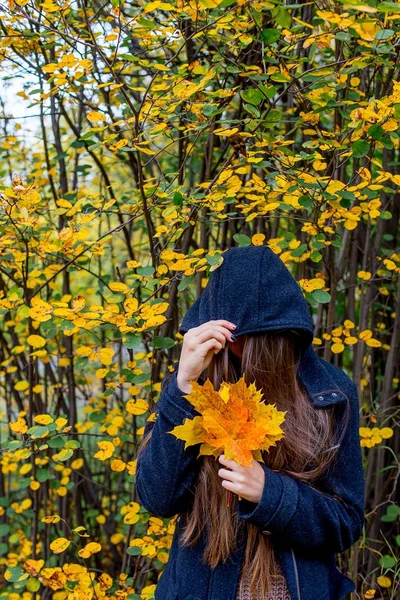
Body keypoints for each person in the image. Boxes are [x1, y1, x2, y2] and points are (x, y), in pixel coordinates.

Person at [136, 246, 365, 600]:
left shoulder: (330, 394)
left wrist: (270, 494)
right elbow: (157, 498)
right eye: (226, 333)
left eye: (246, 336)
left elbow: (346, 522)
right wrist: (182, 386)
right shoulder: (196, 388)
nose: (235, 345)